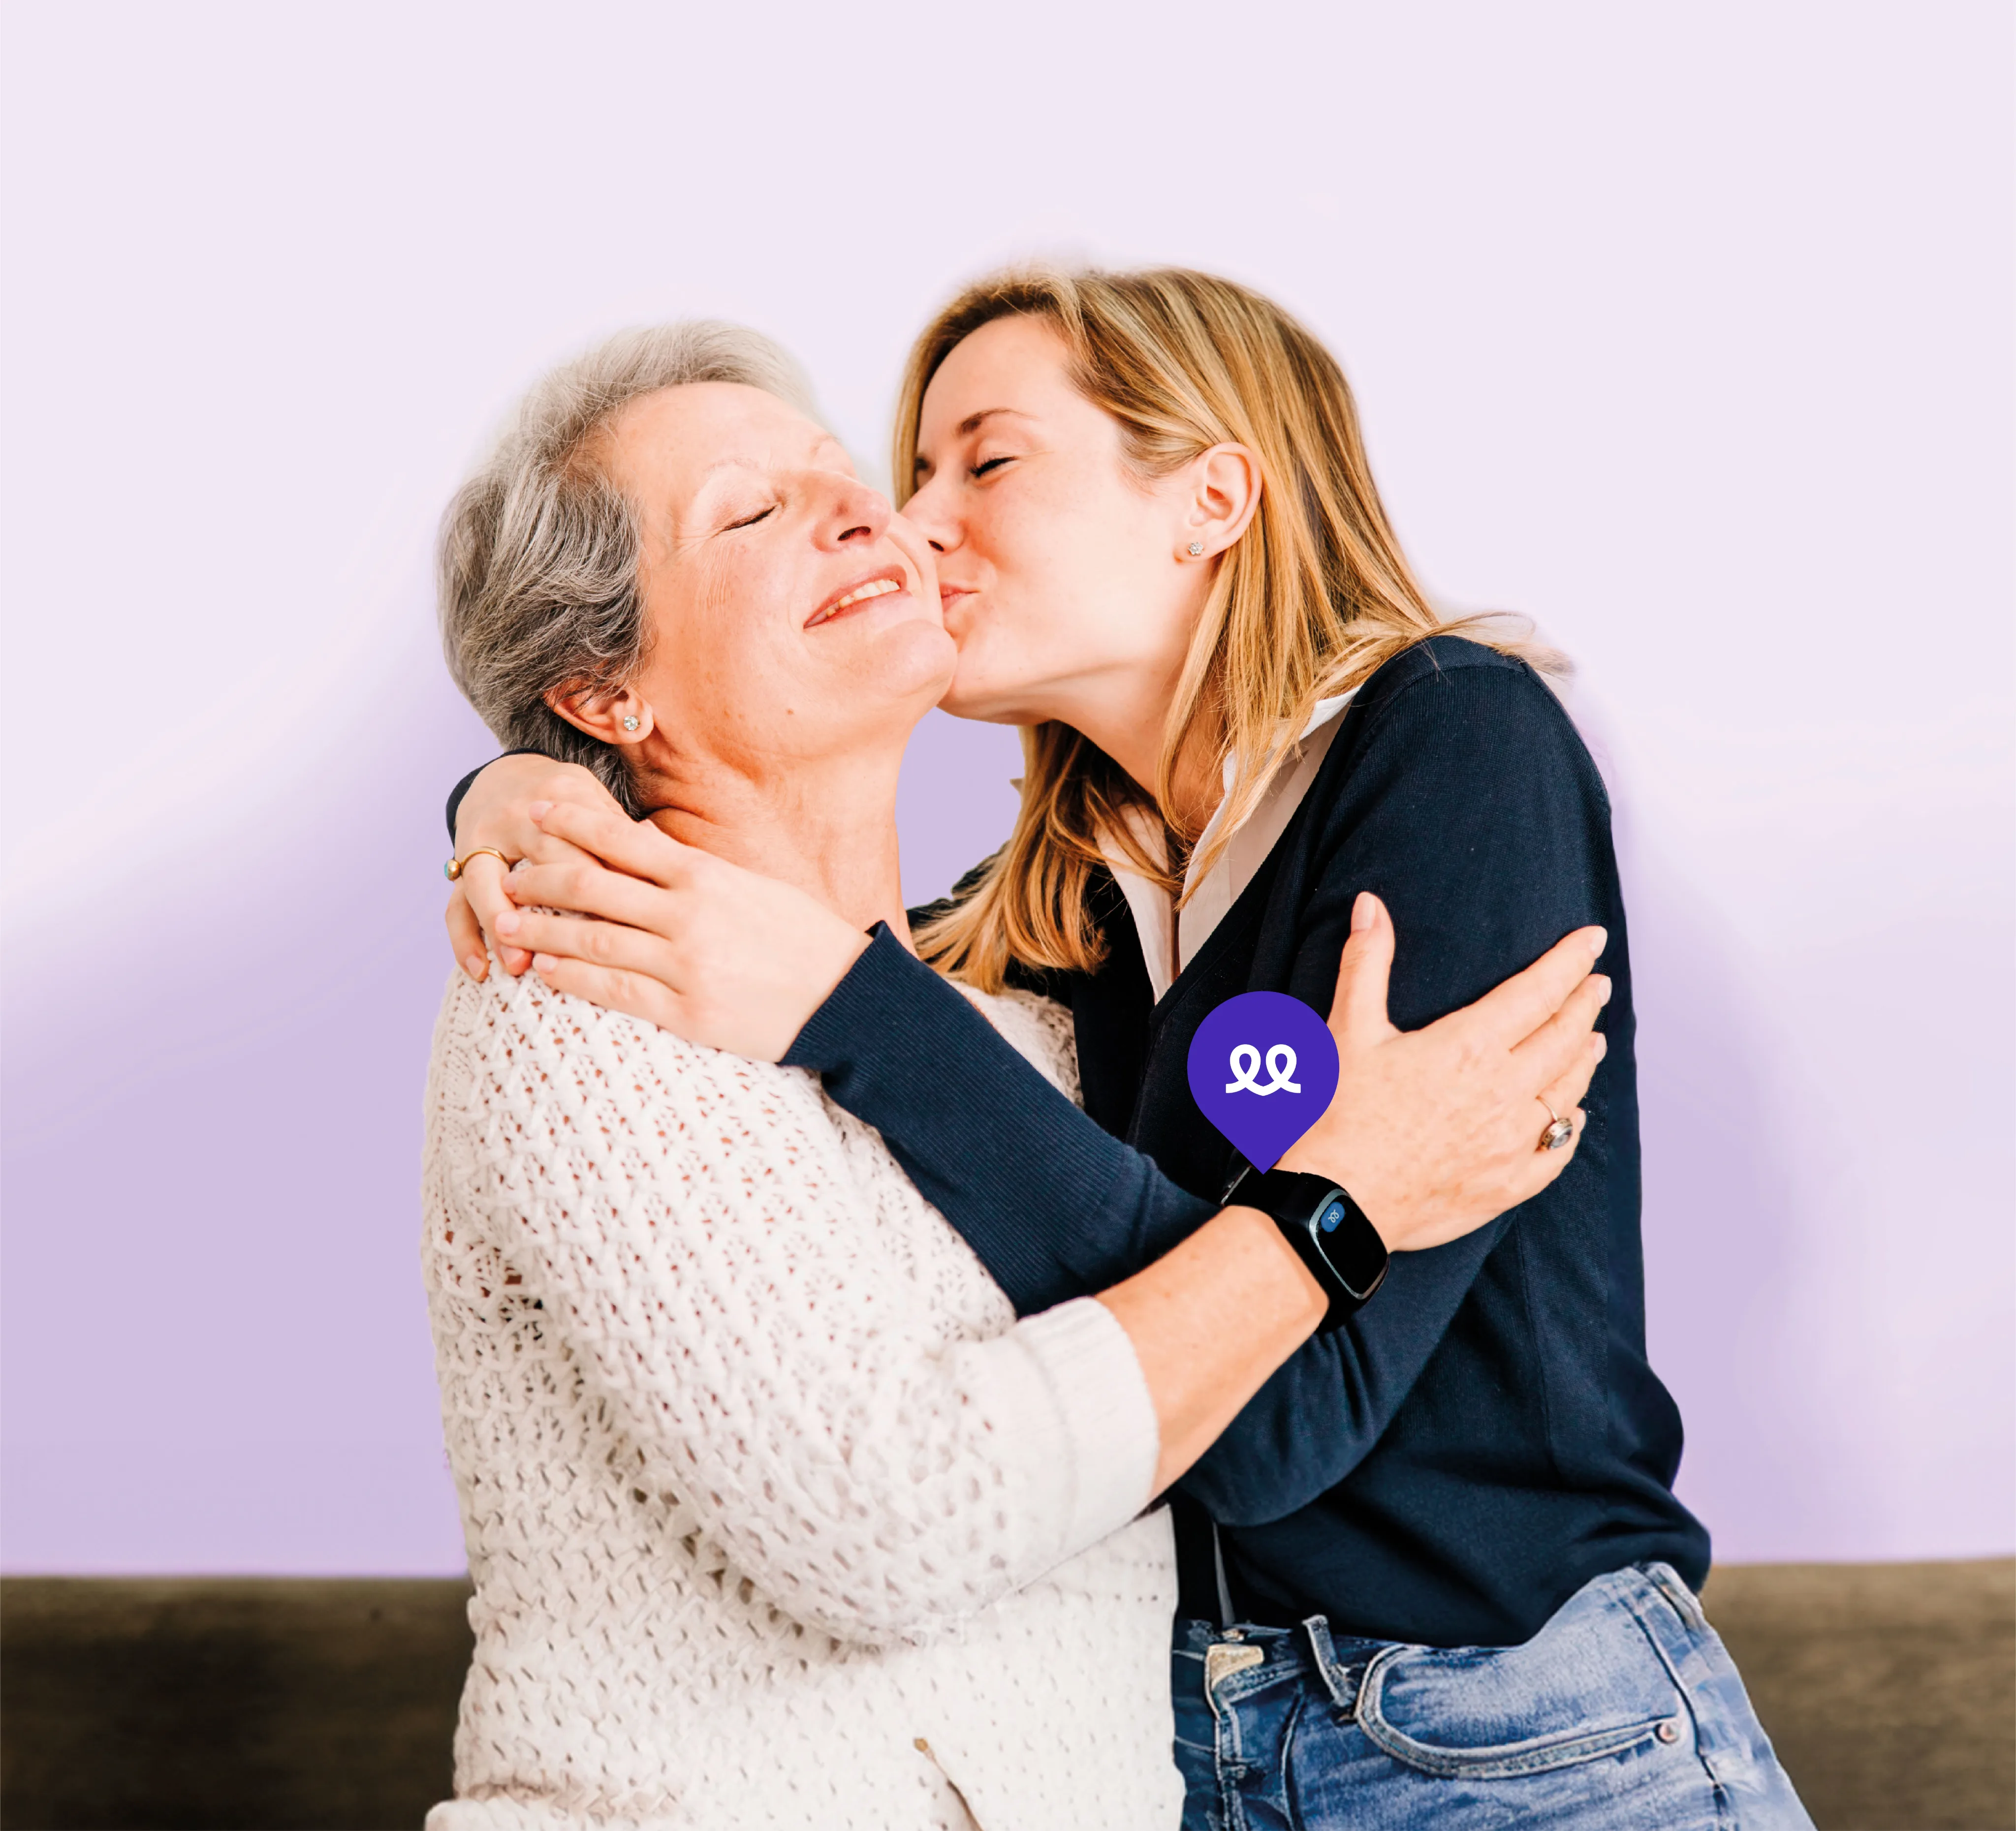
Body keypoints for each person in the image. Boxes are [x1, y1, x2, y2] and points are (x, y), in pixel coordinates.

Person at [447, 269, 1812, 1830]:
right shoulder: (1063, 915)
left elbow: (1276, 1429)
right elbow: (788, 933)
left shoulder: (1455, 740)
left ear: (1213, 498)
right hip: (1190, 1750)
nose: (913, 523)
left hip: (1511, 1730)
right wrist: (509, 794)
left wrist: (846, 999)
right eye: (915, 475)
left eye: (988, 461)